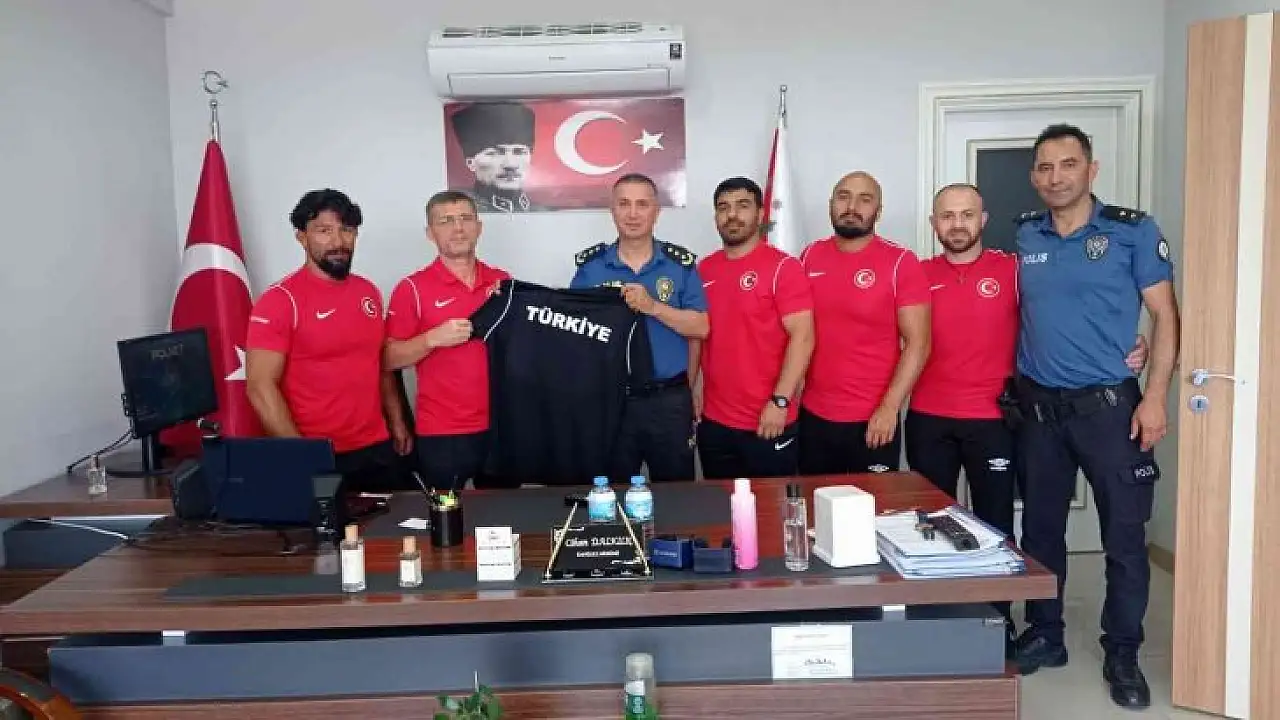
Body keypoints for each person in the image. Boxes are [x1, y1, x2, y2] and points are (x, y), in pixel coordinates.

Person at [908, 183, 1148, 654]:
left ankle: (997, 620)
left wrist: (1131, 342)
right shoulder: (917, 274)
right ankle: (933, 616)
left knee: (994, 524)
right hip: (928, 417)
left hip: (994, 419)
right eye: (947, 216)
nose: (957, 224)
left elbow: (1065, 313)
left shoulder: (1014, 269)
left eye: (967, 214)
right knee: (929, 523)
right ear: (934, 224)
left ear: (983, 220)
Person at [1010, 123, 1180, 711]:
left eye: (1068, 164)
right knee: (1040, 532)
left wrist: (1155, 396)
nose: (1055, 177)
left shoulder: (1132, 231)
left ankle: (1123, 651)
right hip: (1039, 412)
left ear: (1092, 169)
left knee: (1124, 538)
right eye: (1045, 167)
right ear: (1034, 176)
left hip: (1110, 411)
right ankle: (1046, 633)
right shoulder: (1025, 234)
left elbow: (1165, 316)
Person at [245, 189, 412, 494]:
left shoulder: (368, 292)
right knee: (328, 527)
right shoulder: (279, 301)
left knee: (391, 523)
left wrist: (397, 420)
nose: (337, 241)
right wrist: (301, 455)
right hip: (319, 451)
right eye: (324, 231)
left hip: (376, 447)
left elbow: (379, 363)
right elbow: (260, 387)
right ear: (302, 237)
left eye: (346, 230)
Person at [571, 173, 709, 482]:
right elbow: (577, 336)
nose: (633, 213)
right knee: (613, 494)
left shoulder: (680, 265)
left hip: (668, 400)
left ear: (656, 212)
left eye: (642, 204)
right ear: (612, 211)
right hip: (612, 399)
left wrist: (653, 307)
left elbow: (701, 327)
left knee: (677, 493)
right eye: (624, 204)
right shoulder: (590, 268)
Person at [798, 171, 931, 474]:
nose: (852, 207)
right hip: (814, 415)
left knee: (873, 505)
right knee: (817, 501)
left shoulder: (900, 262)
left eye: (864, 199)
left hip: (873, 419)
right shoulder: (810, 256)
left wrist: (890, 407)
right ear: (831, 204)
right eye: (843, 197)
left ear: (878, 211)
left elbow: (919, 344)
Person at [383, 191, 510, 492]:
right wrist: (431, 339)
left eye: (466, 219)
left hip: (501, 425)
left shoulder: (502, 282)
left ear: (479, 227)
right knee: (444, 515)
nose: (458, 228)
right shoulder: (412, 288)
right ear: (430, 233)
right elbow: (387, 358)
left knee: (503, 511)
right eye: (446, 221)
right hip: (442, 431)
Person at [690, 177, 814, 478]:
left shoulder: (784, 268)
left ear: (760, 214)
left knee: (771, 506)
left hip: (768, 419)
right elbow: (700, 336)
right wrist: (694, 388)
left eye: (742, 206)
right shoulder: (703, 269)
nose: (732, 215)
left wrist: (780, 401)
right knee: (721, 505)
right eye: (723, 207)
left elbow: (803, 337)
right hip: (714, 422)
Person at [449, 101, 541, 213]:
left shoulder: (543, 212)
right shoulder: (456, 213)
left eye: (519, 152)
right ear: (470, 163)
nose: (510, 164)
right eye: (495, 153)